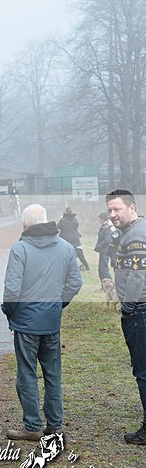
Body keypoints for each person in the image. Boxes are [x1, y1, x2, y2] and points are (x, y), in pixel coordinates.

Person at [2, 204, 83, 441]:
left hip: (26, 324)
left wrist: (9, 312)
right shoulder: (66, 248)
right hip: (51, 322)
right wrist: (58, 305)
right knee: (53, 374)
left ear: (25, 224)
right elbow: (75, 284)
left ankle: (32, 426)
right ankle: (55, 425)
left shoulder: (20, 249)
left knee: (27, 374)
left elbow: (12, 290)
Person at [107, 189, 146, 444]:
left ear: (132, 208)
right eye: (109, 210)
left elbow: (138, 276)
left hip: (140, 313)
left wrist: (128, 306)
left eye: (117, 209)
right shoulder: (133, 232)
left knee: (143, 371)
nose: (112, 214)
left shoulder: (135, 236)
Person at [57, 207, 91, 271]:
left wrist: (62, 218)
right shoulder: (75, 220)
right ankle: (87, 267)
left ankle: (66, 267)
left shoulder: (63, 220)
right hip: (76, 239)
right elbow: (76, 226)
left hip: (66, 240)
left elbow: (58, 226)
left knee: (65, 255)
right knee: (80, 255)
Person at [95, 210, 114, 284]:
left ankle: (109, 285)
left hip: (105, 250)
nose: (98, 220)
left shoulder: (107, 227)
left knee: (104, 269)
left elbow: (107, 239)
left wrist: (99, 246)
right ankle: (104, 286)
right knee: (101, 269)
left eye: (99, 218)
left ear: (102, 219)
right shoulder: (105, 226)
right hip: (103, 250)